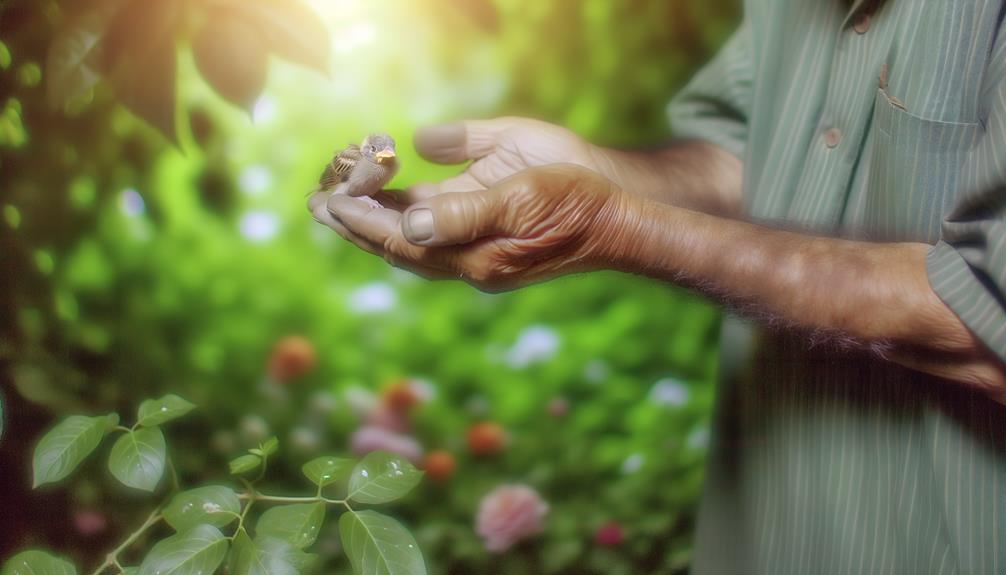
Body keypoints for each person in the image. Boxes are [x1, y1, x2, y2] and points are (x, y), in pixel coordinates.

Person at [310, 0, 1006, 572]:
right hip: (761, 529)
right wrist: (596, 172)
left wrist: (618, 227)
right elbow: (742, 153)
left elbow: (981, 311)